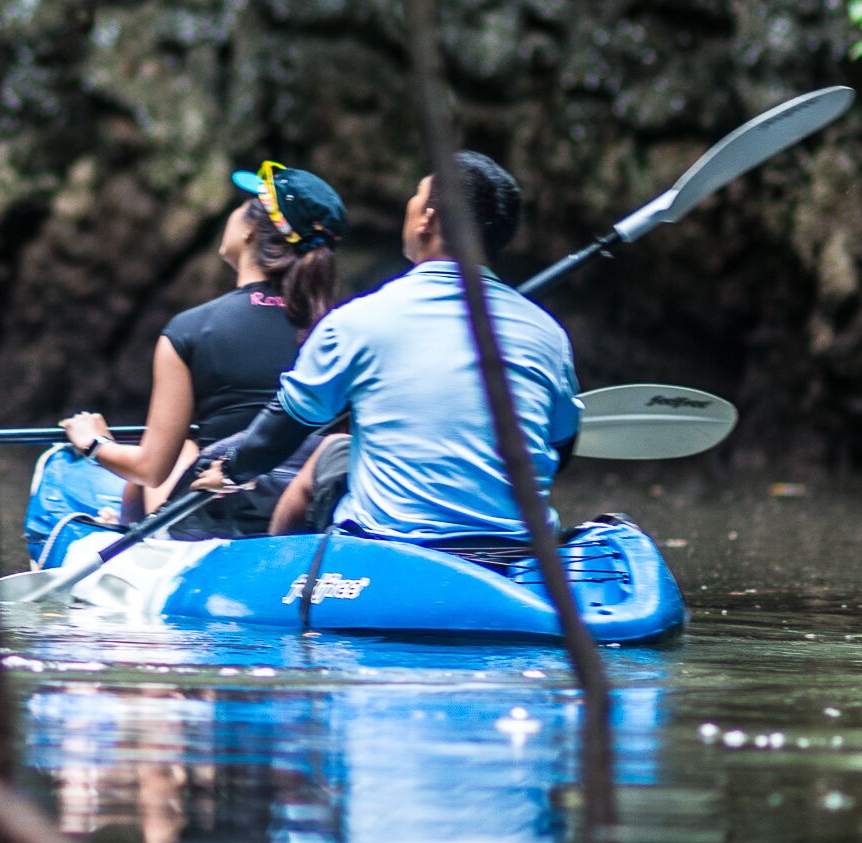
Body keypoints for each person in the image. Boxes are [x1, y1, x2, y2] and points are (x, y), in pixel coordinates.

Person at [196, 151, 579, 559]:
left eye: (416, 196)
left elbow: (280, 432)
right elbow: (560, 447)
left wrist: (231, 470)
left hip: (393, 552)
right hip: (519, 553)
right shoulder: (549, 336)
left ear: (427, 220)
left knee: (332, 454)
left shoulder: (360, 321)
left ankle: (274, 572)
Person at [55, 162, 345, 535]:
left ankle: (124, 531)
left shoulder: (190, 330)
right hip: (307, 513)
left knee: (184, 452)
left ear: (250, 229)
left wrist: (94, 443)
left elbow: (151, 469)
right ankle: (128, 525)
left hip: (219, 514)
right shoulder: (343, 331)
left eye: (242, 205)